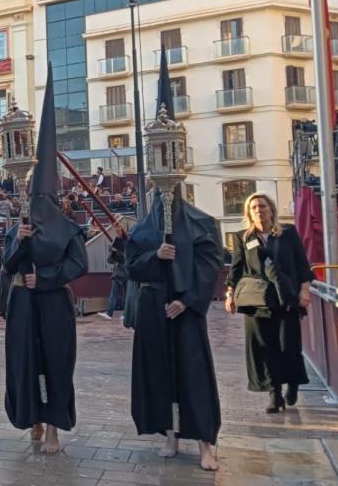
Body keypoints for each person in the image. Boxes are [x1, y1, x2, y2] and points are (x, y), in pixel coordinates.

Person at [3, 74, 88, 454]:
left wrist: (49, 279)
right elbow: (8, 266)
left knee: (55, 363)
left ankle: (53, 427)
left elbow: (79, 264)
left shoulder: (67, 227)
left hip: (54, 304)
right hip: (22, 304)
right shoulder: (18, 225)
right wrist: (19, 244)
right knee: (26, 363)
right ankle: (32, 418)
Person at [126, 184, 222, 472]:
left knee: (194, 375)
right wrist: (155, 256)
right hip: (153, 309)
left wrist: (188, 300)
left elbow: (209, 266)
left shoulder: (201, 223)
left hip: (186, 312)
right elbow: (131, 267)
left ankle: (206, 443)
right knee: (160, 373)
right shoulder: (142, 230)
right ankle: (171, 435)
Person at [225, 192, 313, 414]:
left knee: (289, 346)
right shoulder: (243, 237)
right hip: (258, 301)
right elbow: (237, 268)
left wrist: (304, 290)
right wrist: (230, 293)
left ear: (271, 210)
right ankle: (275, 395)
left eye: (262, 206)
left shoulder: (288, 233)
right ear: (248, 213)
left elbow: (302, 264)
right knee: (265, 348)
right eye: (253, 207)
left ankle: (292, 384)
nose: (258, 210)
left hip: (287, 298)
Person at [100, 221, 128, 320]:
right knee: (114, 293)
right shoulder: (114, 243)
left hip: (126, 272)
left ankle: (125, 314)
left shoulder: (127, 241)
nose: (117, 231)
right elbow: (110, 260)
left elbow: (125, 258)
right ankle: (110, 313)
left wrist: (117, 253)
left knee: (127, 294)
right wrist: (113, 252)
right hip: (118, 272)